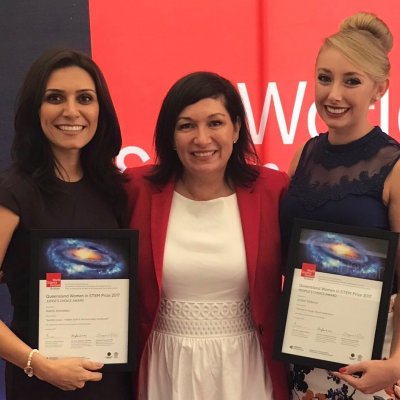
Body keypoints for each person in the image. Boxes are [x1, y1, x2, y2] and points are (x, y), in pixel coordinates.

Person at [124, 71, 289, 400]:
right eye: (187, 125)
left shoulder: (274, 189)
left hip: (246, 368)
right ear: (170, 135)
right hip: (164, 367)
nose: (202, 139)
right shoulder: (135, 189)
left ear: (237, 128)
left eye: (215, 123)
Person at [279, 12, 400, 399]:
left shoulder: (395, 167)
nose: (334, 94)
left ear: (378, 89)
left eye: (352, 81)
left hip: (370, 365)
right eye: (325, 77)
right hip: (301, 352)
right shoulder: (304, 154)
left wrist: (397, 363)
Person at [0, 48, 132, 399]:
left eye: (85, 98)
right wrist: (39, 364)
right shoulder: (12, 192)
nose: (71, 111)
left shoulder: (116, 190)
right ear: (35, 109)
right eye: (55, 98)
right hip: (40, 382)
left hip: (110, 382)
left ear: (100, 110)